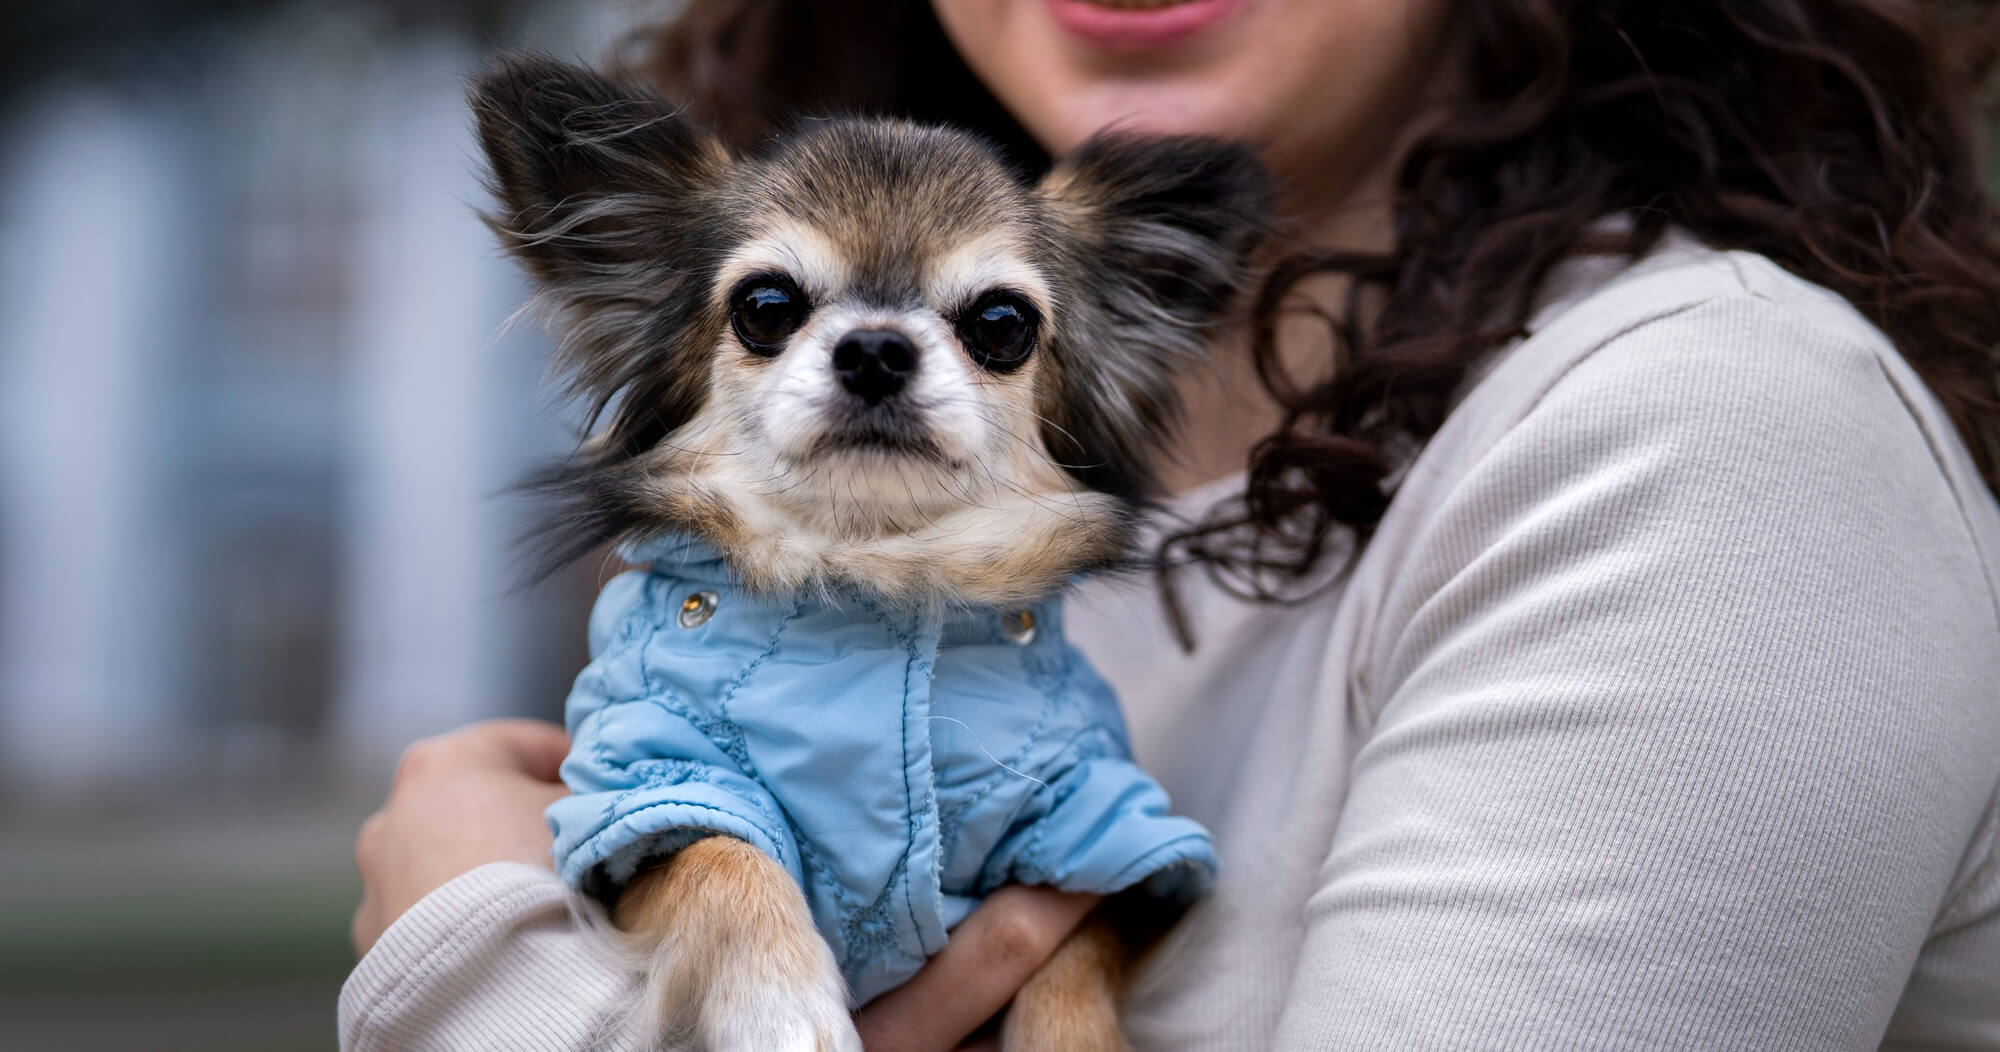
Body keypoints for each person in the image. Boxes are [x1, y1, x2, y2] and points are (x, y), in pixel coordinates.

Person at [340, 1, 2000, 1049]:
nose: (877, 351)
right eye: (777, 309)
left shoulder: (1712, 439)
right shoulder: (947, 530)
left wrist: (477, 961)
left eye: (995, 328)